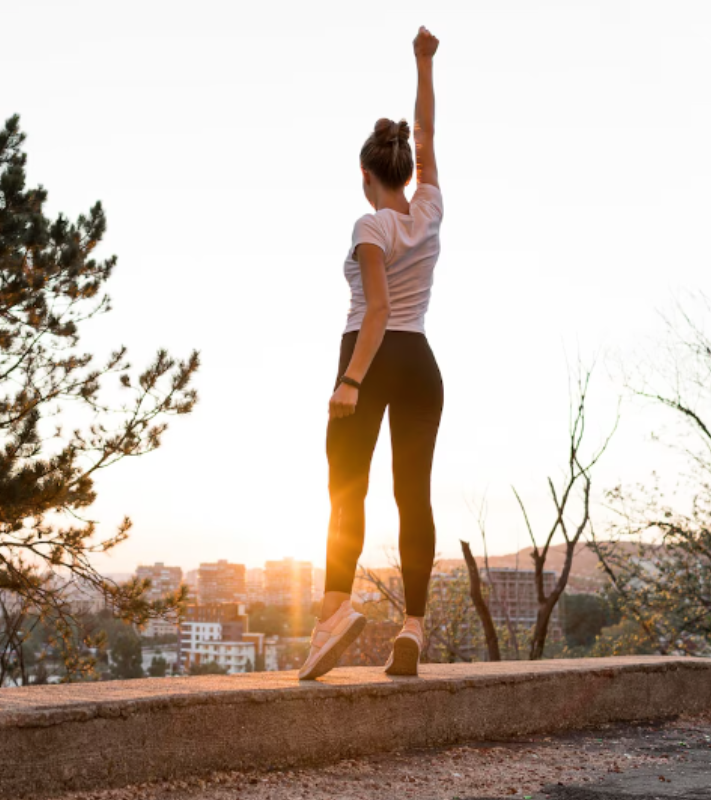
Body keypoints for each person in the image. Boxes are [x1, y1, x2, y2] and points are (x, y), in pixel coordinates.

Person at [299, 26, 443, 681]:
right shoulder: (429, 210)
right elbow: (429, 131)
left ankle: (334, 615)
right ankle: (412, 629)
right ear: (409, 170)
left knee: (344, 493)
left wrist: (350, 381)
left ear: (365, 175)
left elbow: (377, 310)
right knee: (413, 496)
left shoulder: (369, 224)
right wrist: (423, 62)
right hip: (422, 366)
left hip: (371, 354)